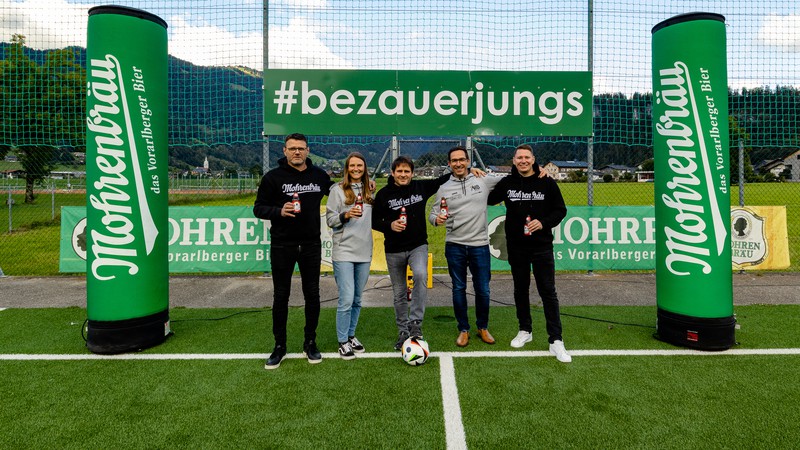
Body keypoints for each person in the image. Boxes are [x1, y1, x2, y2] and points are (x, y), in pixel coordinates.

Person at [487, 144, 572, 363]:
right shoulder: (507, 183)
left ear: (533, 159)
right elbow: (488, 198)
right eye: (519, 157)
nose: (523, 160)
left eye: (527, 157)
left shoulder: (547, 182)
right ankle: (525, 330)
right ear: (513, 160)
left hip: (542, 247)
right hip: (516, 247)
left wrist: (543, 223)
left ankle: (556, 340)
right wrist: (477, 174)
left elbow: (560, 210)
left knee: (548, 292)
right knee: (520, 289)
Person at [254, 133, 332, 369]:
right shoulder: (272, 178)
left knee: (313, 294)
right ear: (284, 151)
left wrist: (363, 185)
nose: (296, 152)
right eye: (292, 148)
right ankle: (280, 346)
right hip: (282, 244)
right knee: (281, 295)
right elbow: (258, 209)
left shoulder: (319, 176)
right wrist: (278, 211)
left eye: (300, 148)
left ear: (308, 150)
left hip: (310, 244)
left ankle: (310, 342)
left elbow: (341, 193)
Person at [372, 156, 452, 350]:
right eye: (399, 171)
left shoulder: (420, 188)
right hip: (393, 249)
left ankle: (415, 324)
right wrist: (390, 225)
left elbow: (442, 180)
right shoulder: (384, 194)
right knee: (399, 292)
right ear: (392, 173)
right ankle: (403, 331)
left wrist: (467, 170)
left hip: (417, 246)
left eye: (407, 171)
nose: (403, 174)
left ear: (412, 173)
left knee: (420, 274)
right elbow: (374, 221)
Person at [429, 146, 504, 347]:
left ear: (468, 161)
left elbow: (511, 177)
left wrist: (540, 170)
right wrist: (438, 220)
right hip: (455, 246)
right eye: (454, 160)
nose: (458, 163)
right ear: (449, 164)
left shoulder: (483, 180)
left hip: (479, 245)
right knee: (459, 288)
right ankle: (463, 329)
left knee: (483, 289)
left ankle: (483, 327)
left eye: (462, 160)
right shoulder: (444, 187)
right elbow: (432, 214)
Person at [325, 152, 373, 360]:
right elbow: (330, 219)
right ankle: (342, 341)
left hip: (364, 251)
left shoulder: (369, 189)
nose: (356, 169)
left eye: (359, 165)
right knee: (346, 298)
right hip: (343, 250)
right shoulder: (337, 190)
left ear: (364, 168)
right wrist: (346, 215)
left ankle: (352, 335)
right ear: (347, 168)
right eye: (352, 165)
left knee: (357, 298)